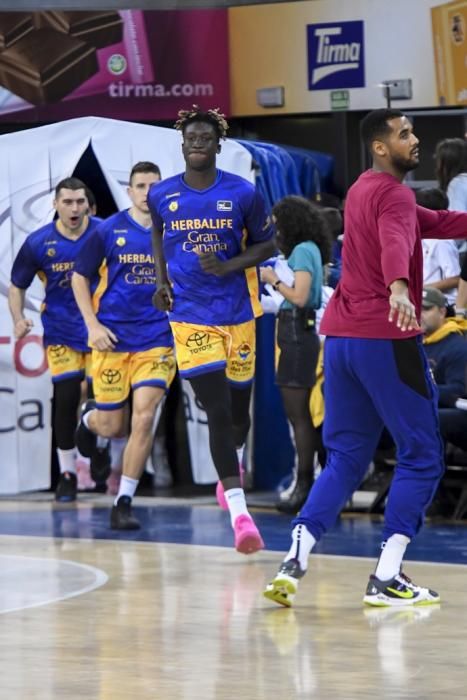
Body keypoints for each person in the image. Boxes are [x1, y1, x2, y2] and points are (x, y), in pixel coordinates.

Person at [264, 108, 467, 608]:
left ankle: (295, 556)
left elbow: (431, 221)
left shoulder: (362, 190)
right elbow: (398, 242)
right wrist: (400, 286)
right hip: (386, 336)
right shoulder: (394, 195)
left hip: (341, 341)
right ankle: (388, 575)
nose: (415, 139)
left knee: (348, 455)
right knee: (421, 453)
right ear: (381, 145)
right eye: (404, 134)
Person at [148, 106, 275, 554]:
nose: (197, 144)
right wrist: (162, 283)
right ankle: (241, 516)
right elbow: (159, 235)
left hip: (238, 313)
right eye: (191, 138)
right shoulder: (162, 194)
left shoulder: (242, 192)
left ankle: (230, 471)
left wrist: (228, 265)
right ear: (181, 145)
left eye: (205, 138)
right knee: (217, 411)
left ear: (218, 144)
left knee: (240, 414)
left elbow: (268, 243)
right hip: (189, 316)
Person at [72, 161, 176, 530]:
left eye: (154, 185)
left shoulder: (175, 231)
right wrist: (92, 324)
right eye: (140, 186)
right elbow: (79, 277)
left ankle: (124, 500)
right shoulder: (109, 230)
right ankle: (89, 420)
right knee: (114, 427)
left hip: (158, 341)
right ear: (129, 191)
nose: (148, 192)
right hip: (113, 339)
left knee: (144, 417)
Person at [8, 178, 101, 502]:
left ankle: (94, 445)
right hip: (61, 331)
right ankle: (67, 474)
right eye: (68, 202)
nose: (74, 208)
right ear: (55, 204)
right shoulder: (38, 242)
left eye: (80, 201)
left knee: (100, 397)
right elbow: (17, 285)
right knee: (64, 400)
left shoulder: (104, 232)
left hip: (100, 331)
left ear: (88, 204)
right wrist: (19, 319)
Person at [259, 196, 331, 514]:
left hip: (297, 332)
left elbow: (300, 297)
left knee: (299, 417)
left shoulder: (302, 250)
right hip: (300, 332)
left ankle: (304, 485)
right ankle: (313, 484)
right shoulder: (313, 249)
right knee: (303, 416)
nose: (276, 230)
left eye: (278, 223)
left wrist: (272, 281)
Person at [421, 287, 467, 453]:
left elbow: (459, 391)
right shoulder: (413, 342)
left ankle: (429, 477)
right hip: (426, 406)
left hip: (459, 412)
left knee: (432, 418)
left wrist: (420, 389)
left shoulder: (458, 345)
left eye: (426, 309)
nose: (419, 314)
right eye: (416, 309)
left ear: (442, 312)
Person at [415, 188, 460, 306]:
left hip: (440, 306)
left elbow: (455, 279)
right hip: (422, 302)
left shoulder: (442, 241)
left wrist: (422, 289)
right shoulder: (419, 238)